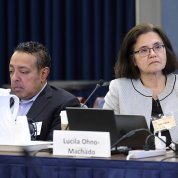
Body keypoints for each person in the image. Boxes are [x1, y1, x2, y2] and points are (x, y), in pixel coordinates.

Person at [103, 23, 178, 147]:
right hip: (134, 162)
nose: (153, 54)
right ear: (133, 60)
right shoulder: (119, 89)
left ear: (166, 51)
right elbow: (105, 132)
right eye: (144, 50)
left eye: (157, 47)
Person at [9, 41, 81, 141]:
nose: (14, 78)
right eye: (11, 71)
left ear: (43, 74)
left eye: (23, 71)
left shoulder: (64, 104)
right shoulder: (5, 101)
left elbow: (51, 151)